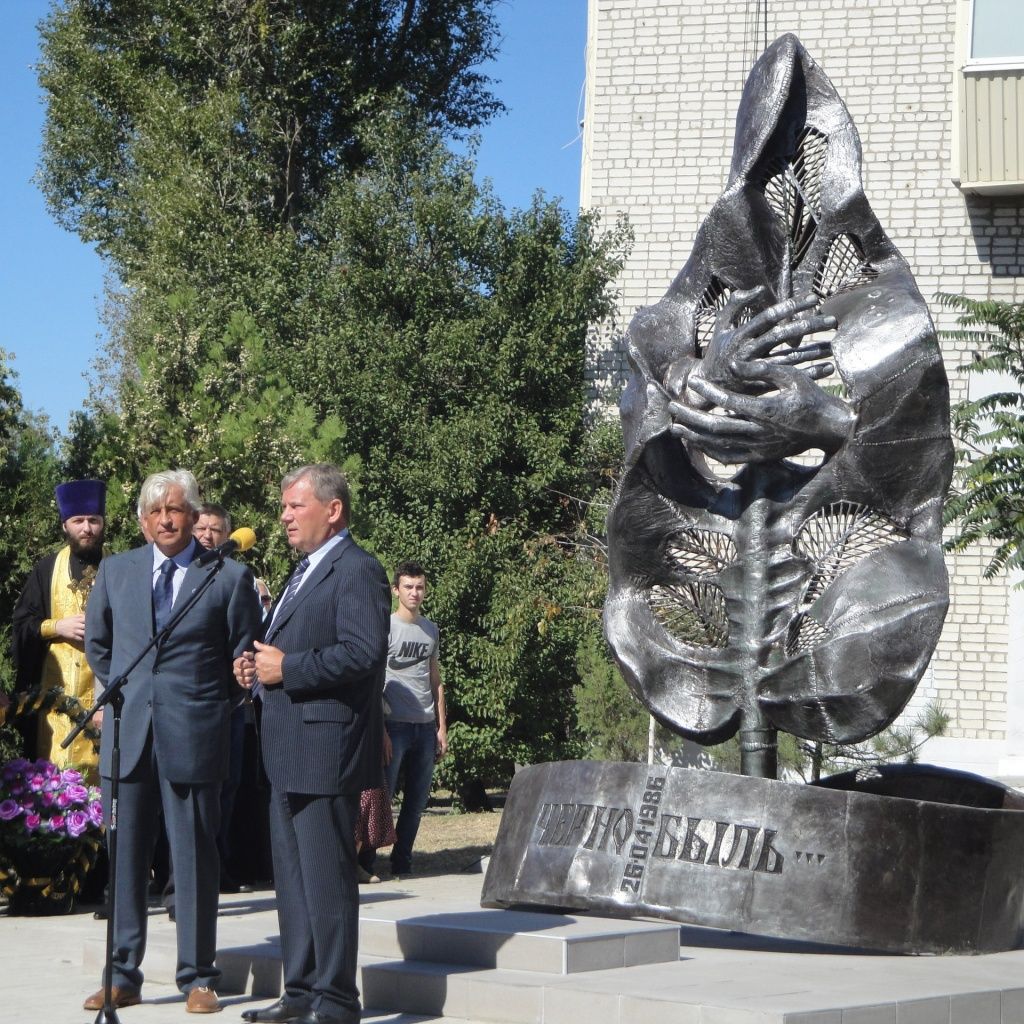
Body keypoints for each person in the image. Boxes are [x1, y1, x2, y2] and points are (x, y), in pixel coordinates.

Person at [83, 469, 262, 1014]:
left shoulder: (227, 576)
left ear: (194, 517)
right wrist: (131, 693)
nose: (166, 519)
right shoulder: (116, 571)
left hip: (195, 735)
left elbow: (242, 660)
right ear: (142, 521)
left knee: (195, 859)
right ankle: (122, 974)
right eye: (156, 511)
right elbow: (99, 644)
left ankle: (199, 976)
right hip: (129, 734)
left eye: (176, 509)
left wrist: (205, 706)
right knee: (126, 858)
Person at [236, 462, 389, 1024]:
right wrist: (255, 669)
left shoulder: (357, 569)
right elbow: (286, 651)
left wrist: (288, 668)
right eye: (284, 506)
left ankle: (336, 999)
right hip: (286, 749)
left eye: (295, 505)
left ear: (334, 509)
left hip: (326, 750)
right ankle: (300, 991)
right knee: (294, 882)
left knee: (326, 880)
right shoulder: (303, 571)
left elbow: (363, 652)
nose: (284, 516)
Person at [11, 479, 108, 778]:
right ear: (65, 525)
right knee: (52, 776)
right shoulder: (47, 569)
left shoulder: (119, 568)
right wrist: (56, 626)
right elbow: (21, 626)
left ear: (103, 523)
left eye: (93, 520)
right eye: (78, 521)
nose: (87, 528)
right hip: (52, 697)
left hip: (101, 694)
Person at [193, 501, 248, 894]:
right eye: (201, 529)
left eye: (215, 530)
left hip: (230, 704)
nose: (208, 536)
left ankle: (219, 864)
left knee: (226, 787)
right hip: (190, 703)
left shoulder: (236, 578)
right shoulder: (180, 578)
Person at [380, 561, 447, 879]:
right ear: (396, 590)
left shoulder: (430, 629)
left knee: (417, 801)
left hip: (425, 725)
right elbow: (373, 680)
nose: (414, 593)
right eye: (408, 587)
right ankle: (366, 860)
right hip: (394, 724)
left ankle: (402, 862)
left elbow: (436, 680)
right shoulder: (385, 627)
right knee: (383, 796)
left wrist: (441, 727)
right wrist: (380, 729)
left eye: (419, 587)